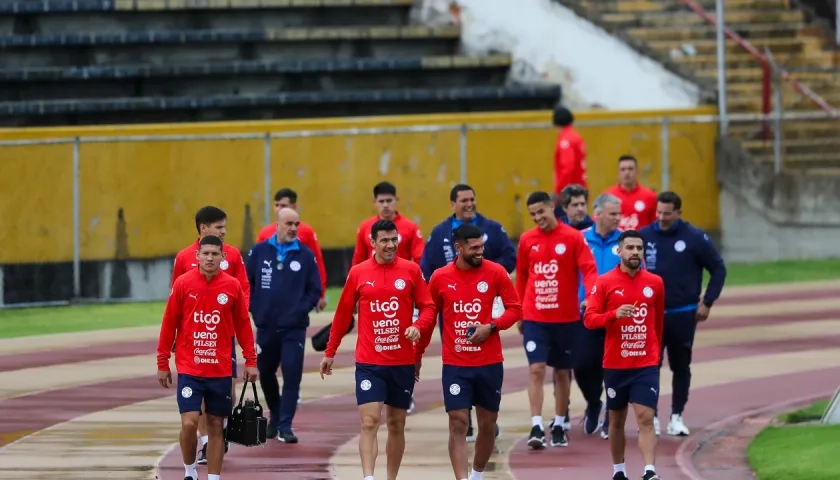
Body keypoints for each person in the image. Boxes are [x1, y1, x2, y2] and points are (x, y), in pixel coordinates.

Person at [319, 219, 436, 480]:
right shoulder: (359, 273)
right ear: (372, 243)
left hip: (401, 362)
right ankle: (368, 477)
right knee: (369, 421)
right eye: (384, 240)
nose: (390, 245)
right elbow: (342, 315)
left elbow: (428, 307)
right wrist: (330, 351)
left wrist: (418, 325)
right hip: (369, 363)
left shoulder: (411, 271)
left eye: (394, 240)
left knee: (396, 424)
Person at [413, 223, 522, 480]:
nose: (479, 252)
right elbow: (429, 318)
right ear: (458, 248)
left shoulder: (496, 272)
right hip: (456, 365)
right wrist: (417, 354)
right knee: (458, 421)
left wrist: (491, 327)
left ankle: (476, 474)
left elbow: (515, 309)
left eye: (481, 246)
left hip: (489, 363)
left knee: (487, 425)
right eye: (473, 248)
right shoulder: (440, 278)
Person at [157, 235, 258, 480]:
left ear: (223, 257)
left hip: (220, 370)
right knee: (189, 423)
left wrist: (251, 360)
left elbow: (243, 326)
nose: (210, 258)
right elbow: (169, 322)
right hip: (190, 368)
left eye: (215, 254)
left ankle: (214, 478)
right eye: (206, 254)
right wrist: (162, 362)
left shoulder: (232, 286)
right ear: (197, 256)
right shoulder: (183, 284)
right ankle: (189, 471)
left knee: (215, 426)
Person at [419, 183, 515, 439]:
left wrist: (490, 276)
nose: (470, 204)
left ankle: (485, 417)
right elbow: (426, 266)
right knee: (459, 353)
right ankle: (464, 417)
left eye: (472, 199)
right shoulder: (440, 233)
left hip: (486, 303)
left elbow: (509, 256)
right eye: (464, 200)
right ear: (453, 204)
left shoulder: (491, 228)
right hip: (451, 304)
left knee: (481, 353)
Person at [639, 191, 726, 436]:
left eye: (667, 213)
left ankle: (676, 416)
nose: (662, 218)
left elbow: (718, 268)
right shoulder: (644, 237)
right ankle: (651, 416)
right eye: (659, 212)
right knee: (648, 366)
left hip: (682, 314)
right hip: (649, 315)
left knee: (680, 366)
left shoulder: (694, 237)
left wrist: (707, 302)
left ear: (679, 212)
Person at [516, 191, 597, 449]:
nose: (538, 217)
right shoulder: (527, 240)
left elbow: (589, 269)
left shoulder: (573, 238)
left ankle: (560, 423)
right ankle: (537, 425)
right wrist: (519, 311)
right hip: (535, 317)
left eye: (541, 211)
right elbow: (522, 277)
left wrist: (591, 297)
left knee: (563, 371)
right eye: (533, 214)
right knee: (536, 368)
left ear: (553, 208)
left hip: (566, 318)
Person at [583, 229, 665, 480]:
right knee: (616, 420)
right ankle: (619, 470)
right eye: (630, 248)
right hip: (616, 364)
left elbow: (658, 322)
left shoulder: (655, 283)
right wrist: (613, 315)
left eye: (639, 248)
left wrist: (654, 352)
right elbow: (589, 319)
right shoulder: (605, 282)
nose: (635, 253)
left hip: (645, 363)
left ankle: (649, 471)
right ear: (619, 251)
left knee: (645, 417)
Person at [172, 206, 250, 464]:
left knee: (226, 386)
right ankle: (206, 443)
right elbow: (176, 299)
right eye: (218, 227)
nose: (224, 231)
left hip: (223, 336)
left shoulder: (234, 255)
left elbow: (242, 292)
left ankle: (220, 428)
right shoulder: (184, 257)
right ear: (203, 228)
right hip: (194, 339)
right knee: (197, 393)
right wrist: (177, 336)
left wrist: (234, 320)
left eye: (225, 227)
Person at [246, 207, 322, 443]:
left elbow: (315, 290)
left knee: (292, 374)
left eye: (296, 224)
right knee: (265, 372)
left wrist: (299, 310)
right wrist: (254, 308)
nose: (293, 228)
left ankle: (286, 425)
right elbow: (246, 283)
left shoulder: (305, 254)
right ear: (276, 225)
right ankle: (276, 415)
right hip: (266, 327)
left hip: (294, 328)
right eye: (288, 223)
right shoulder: (259, 251)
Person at [576, 193, 622, 440]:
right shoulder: (581, 239)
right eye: (613, 213)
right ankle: (594, 401)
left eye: (618, 213)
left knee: (612, 369)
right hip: (585, 316)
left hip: (616, 317)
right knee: (582, 365)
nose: (618, 218)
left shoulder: (626, 241)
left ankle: (611, 419)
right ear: (598, 214)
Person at [255, 187, 328, 312]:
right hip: (270, 295)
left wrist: (320, 294)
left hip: (297, 294)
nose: (278, 209)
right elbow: (256, 265)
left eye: (283, 205)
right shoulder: (265, 233)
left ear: (293, 207)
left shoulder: (306, 232)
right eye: (276, 205)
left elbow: (317, 262)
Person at [352, 181, 424, 266]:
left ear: (396, 200)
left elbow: (420, 259)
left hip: (400, 277)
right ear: (374, 202)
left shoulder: (411, 227)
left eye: (389, 200)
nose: (385, 205)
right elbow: (358, 260)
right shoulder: (365, 227)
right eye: (381, 201)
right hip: (372, 277)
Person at [604, 155, 658, 232]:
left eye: (630, 169)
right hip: (615, 243)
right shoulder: (607, 196)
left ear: (637, 171)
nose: (627, 172)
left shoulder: (650, 196)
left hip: (641, 242)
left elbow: (655, 226)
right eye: (623, 169)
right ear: (618, 173)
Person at [552, 105, 587, 200]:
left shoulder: (565, 140)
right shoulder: (577, 137)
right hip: (580, 190)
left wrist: (558, 191)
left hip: (569, 194)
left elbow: (568, 168)